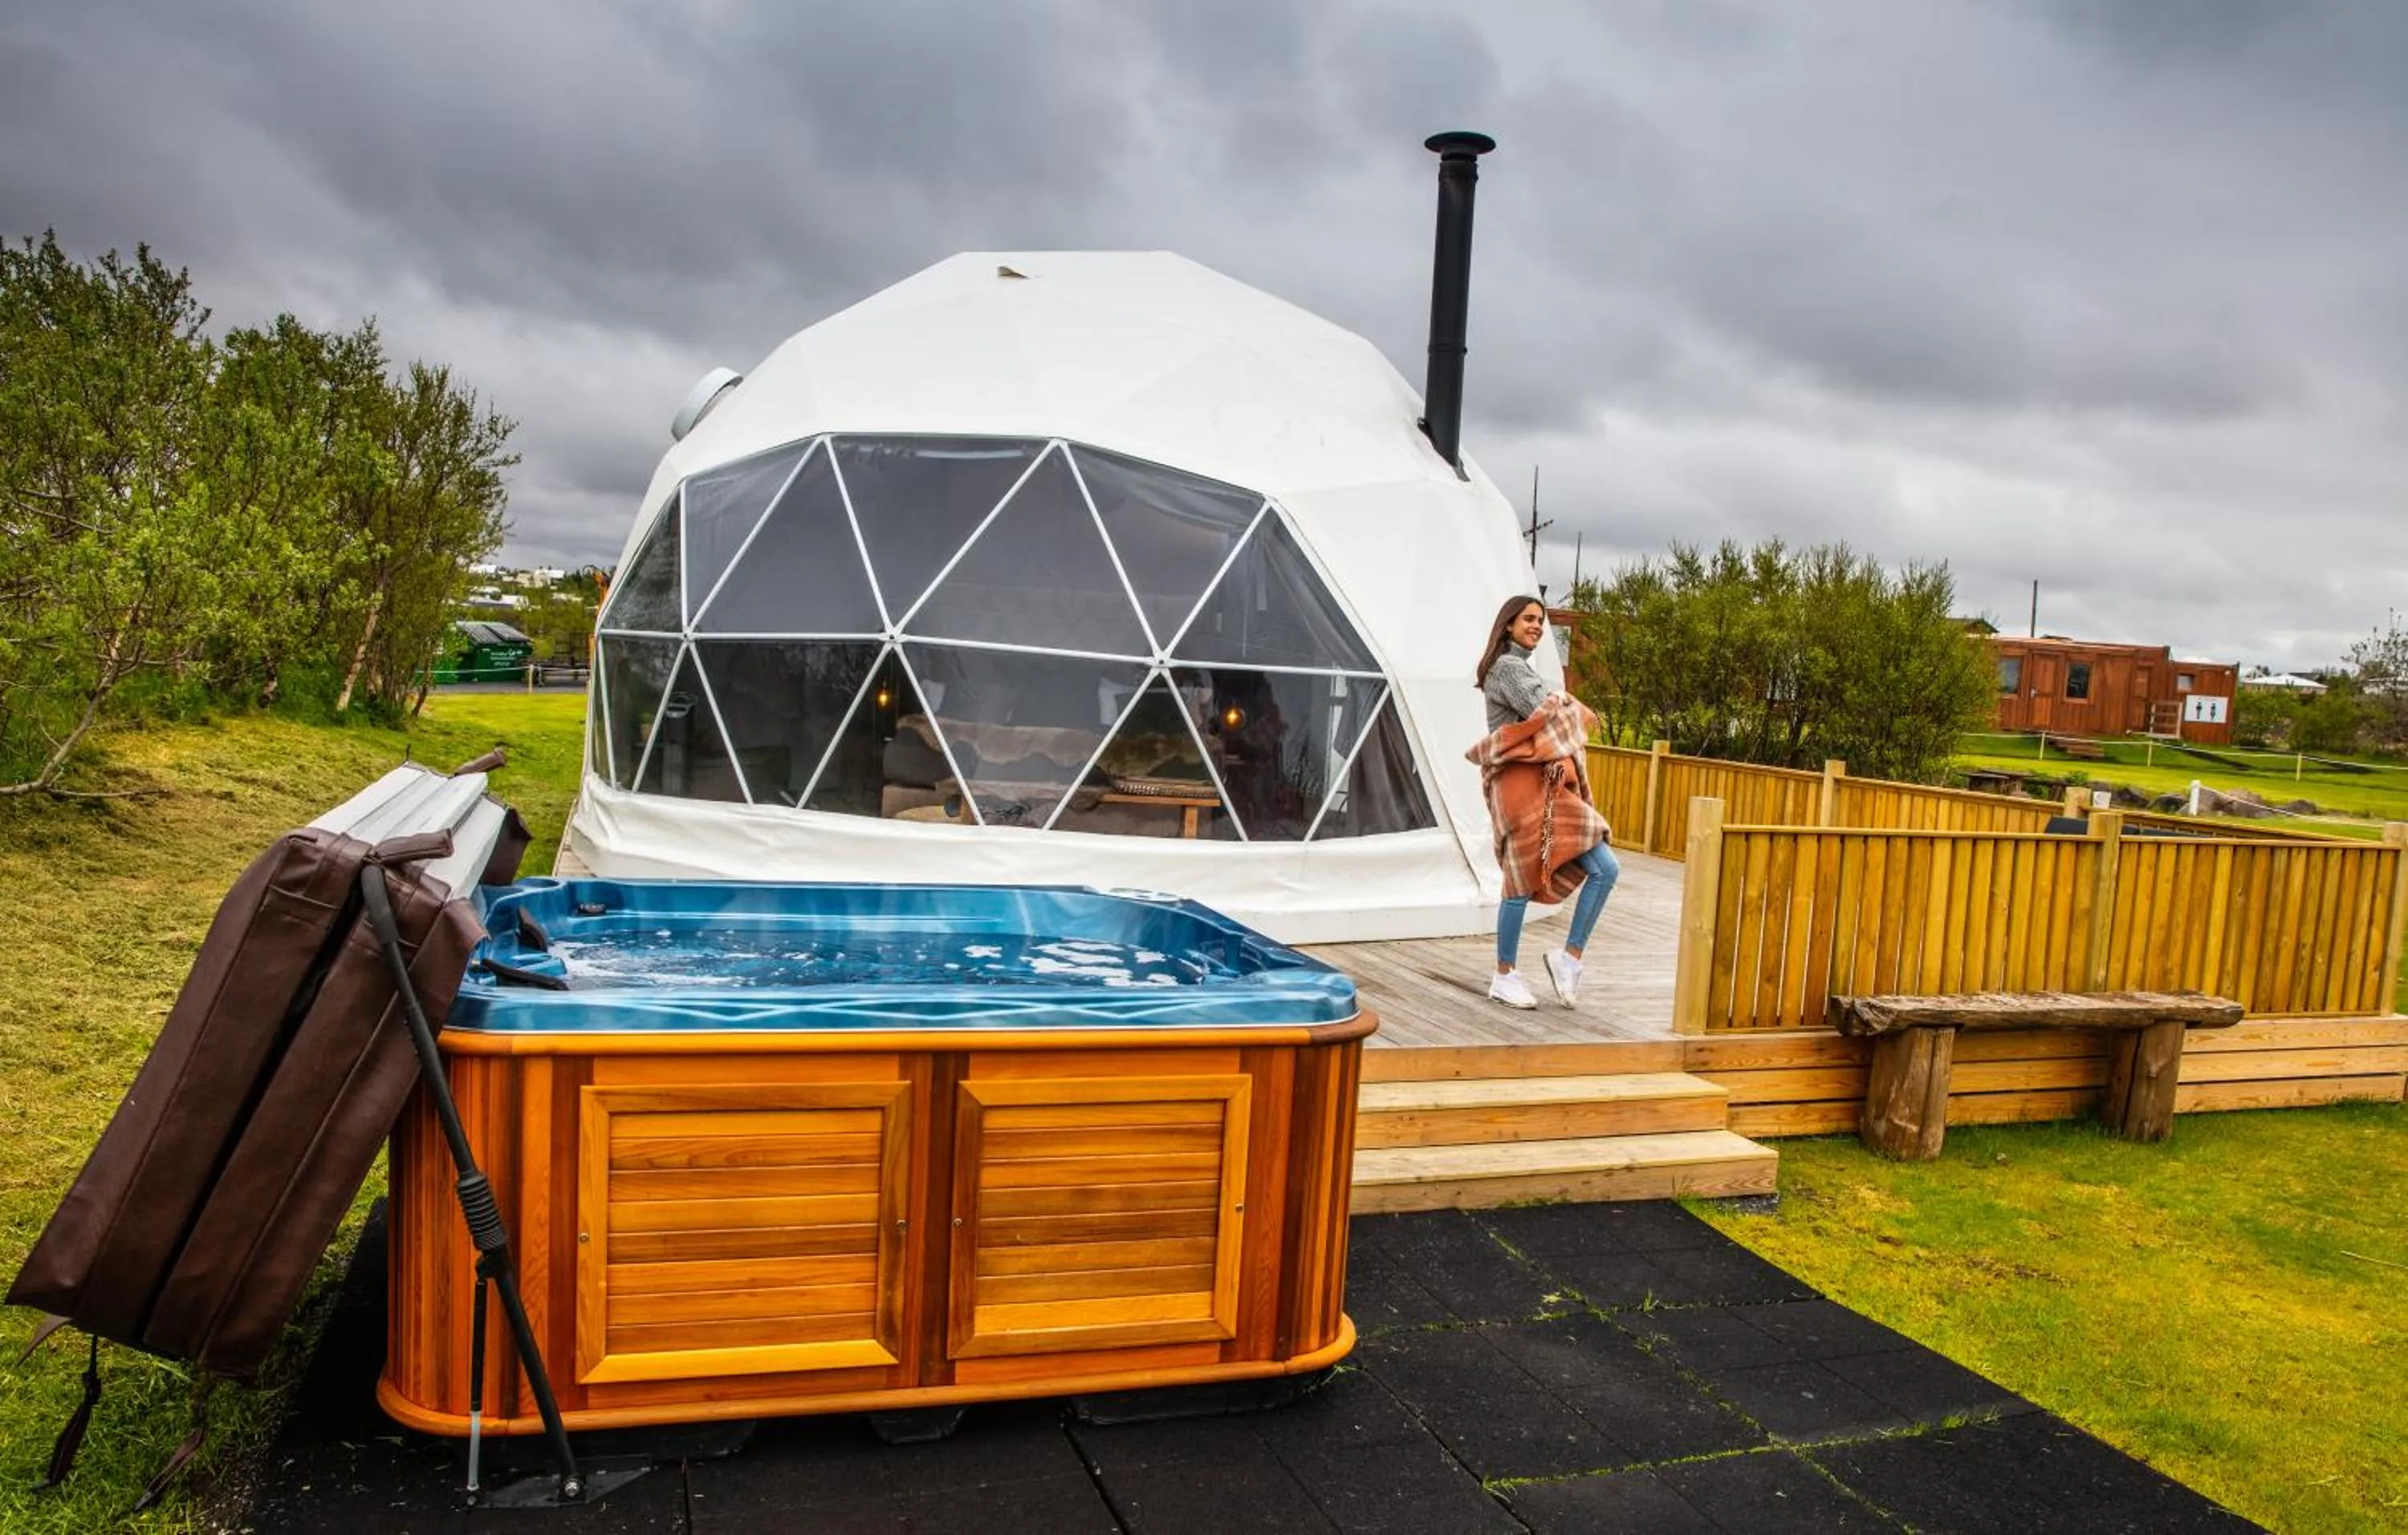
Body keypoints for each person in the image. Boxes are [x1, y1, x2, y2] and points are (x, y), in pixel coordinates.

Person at [1466, 595, 1618, 1009]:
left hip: (1544, 784)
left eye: (1541, 620)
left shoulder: (1520, 668)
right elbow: (1549, 712)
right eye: (1528, 619)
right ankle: (1504, 975)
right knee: (1520, 879)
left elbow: (1553, 711)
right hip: (1518, 784)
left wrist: (1563, 702)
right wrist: (1567, 703)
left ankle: (1569, 959)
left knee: (1605, 867)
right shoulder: (1507, 668)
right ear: (1508, 624)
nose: (1536, 626)